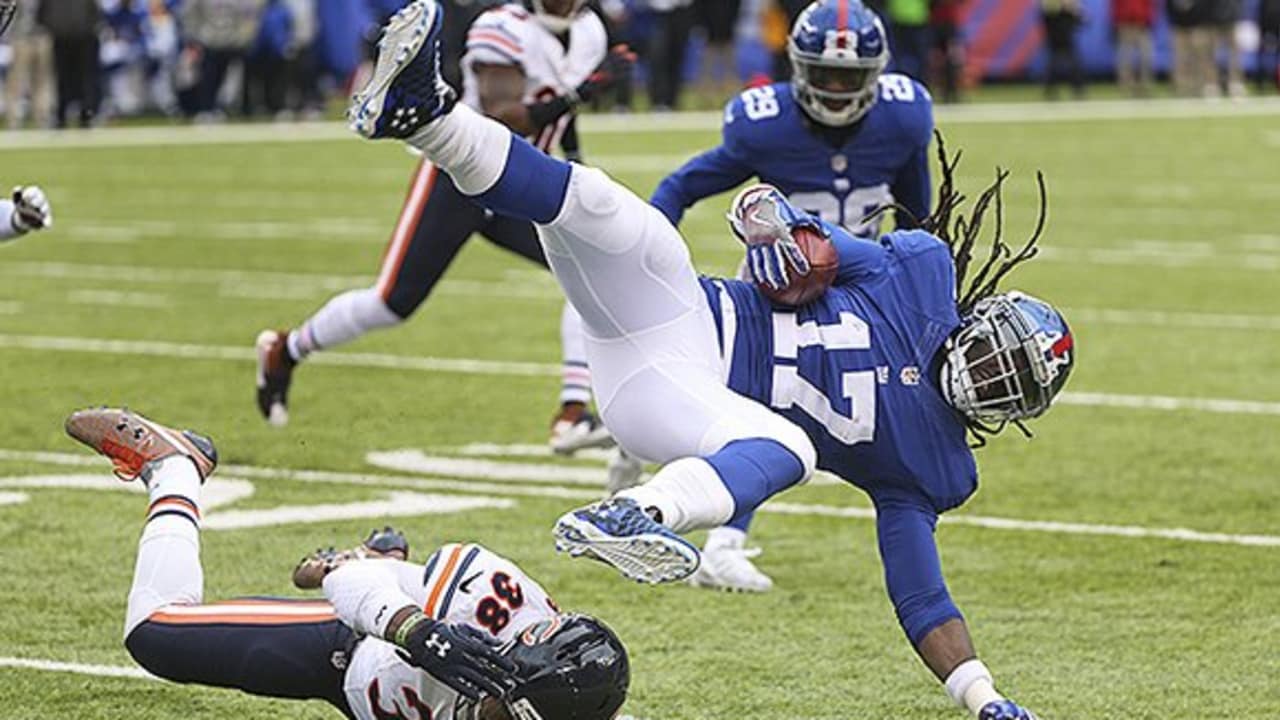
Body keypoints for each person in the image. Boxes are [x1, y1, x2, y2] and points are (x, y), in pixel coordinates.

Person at [348, 3, 1073, 717]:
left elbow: (920, 596)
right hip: (683, 310)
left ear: (1015, 414)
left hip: (676, 394)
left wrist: (985, 699)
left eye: (1003, 386)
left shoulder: (933, 467)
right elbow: (814, 236)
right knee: (607, 206)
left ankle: (636, 512)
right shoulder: (920, 270)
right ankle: (428, 116)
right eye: (991, 357)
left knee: (789, 444)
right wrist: (773, 222)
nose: (983, 377)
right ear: (978, 322)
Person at [63, 406, 631, 720]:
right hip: (351, 650)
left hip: (378, 699)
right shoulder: (493, 604)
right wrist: (417, 630)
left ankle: (383, 556)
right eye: (499, 704)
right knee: (156, 636)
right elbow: (344, 582)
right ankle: (175, 470)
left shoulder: (577, 705)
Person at [256, 0, 633, 457]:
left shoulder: (589, 30)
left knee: (590, 268)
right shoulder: (501, 26)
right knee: (393, 303)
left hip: (525, 182)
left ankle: (572, 413)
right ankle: (287, 350)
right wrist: (583, 93)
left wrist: (576, 168)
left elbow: (563, 119)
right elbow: (502, 116)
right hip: (462, 178)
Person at [649, 0, 933, 592]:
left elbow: (919, 217)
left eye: (848, 77)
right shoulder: (765, 125)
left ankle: (710, 526)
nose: (833, 88)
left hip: (861, 295)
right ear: (796, 68)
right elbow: (682, 186)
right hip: (777, 287)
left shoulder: (904, 121)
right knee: (765, 410)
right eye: (822, 74)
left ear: (875, 75)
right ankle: (722, 542)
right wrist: (650, 251)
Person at [36, 0, 103, 128]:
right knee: (62, 78)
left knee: (86, 78)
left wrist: (90, 27)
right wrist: (53, 28)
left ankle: (87, 114)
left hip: (85, 38)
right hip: (61, 37)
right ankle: (61, 115)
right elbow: (42, 14)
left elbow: (96, 13)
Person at [5, 0, 54, 128]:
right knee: (16, 81)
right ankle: (13, 119)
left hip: (42, 37)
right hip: (21, 37)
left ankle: (42, 117)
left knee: (42, 80)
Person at [1040, 0, 1084, 99]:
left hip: (1064, 24)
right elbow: (1047, 7)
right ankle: (1050, 89)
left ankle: (1077, 89)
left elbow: (1075, 8)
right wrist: (1063, 5)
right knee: (1055, 60)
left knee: (1071, 60)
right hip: (1054, 25)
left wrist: (1073, 9)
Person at [1111, 0, 1155, 96]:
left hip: (1142, 25)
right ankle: (1126, 86)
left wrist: (1148, 20)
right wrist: (1117, 21)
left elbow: (1151, 5)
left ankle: (1145, 86)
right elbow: (1114, 5)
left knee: (1146, 57)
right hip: (1125, 25)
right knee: (1125, 58)